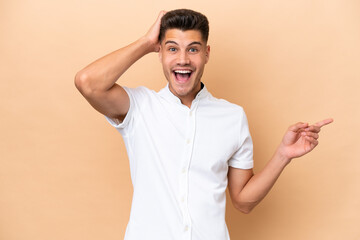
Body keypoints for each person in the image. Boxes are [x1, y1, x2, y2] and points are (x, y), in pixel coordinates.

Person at [74, 9, 333, 240]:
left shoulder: (232, 116)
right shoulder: (139, 107)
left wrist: (283, 155)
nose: (183, 59)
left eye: (193, 49)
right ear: (160, 53)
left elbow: (243, 201)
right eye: (172, 48)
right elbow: (88, 82)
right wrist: (145, 42)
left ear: (206, 54)